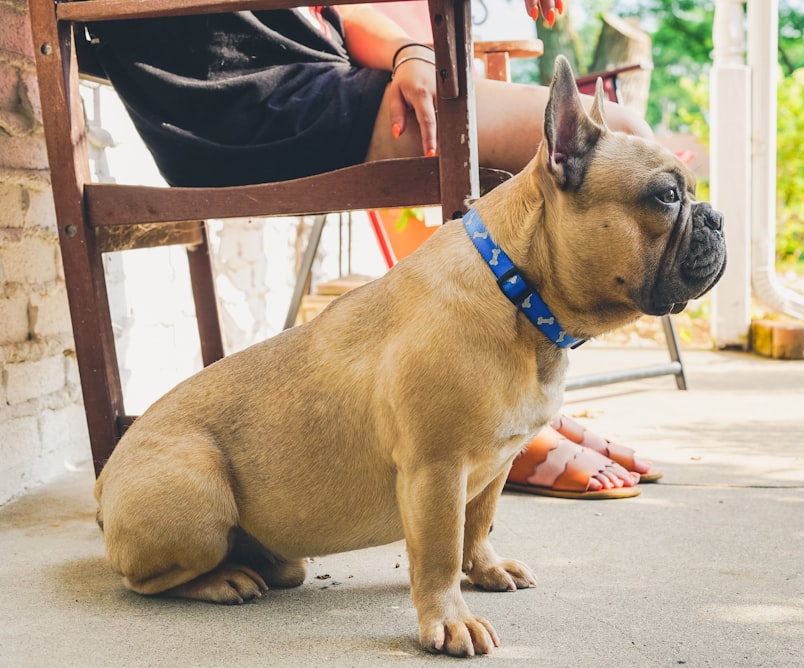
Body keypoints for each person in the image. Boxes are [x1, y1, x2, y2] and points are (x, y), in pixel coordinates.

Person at [87, 0, 662, 499]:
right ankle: (476, 417)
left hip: (327, 80)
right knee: (596, 149)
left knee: (620, 135)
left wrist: (409, 52)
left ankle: (514, 405)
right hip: (247, 109)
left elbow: (338, 14)